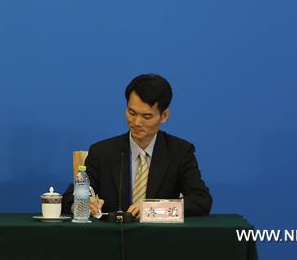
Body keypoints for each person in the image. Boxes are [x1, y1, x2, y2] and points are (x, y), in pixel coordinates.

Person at [63, 74, 212, 218]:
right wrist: (83, 204)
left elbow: (201, 200)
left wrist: (153, 208)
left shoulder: (179, 152)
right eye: (132, 113)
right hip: (111, 238)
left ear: (164, 115)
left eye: (146, 116)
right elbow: (68, 198)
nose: (136, 122)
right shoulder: (102, 152)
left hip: (161, 239)